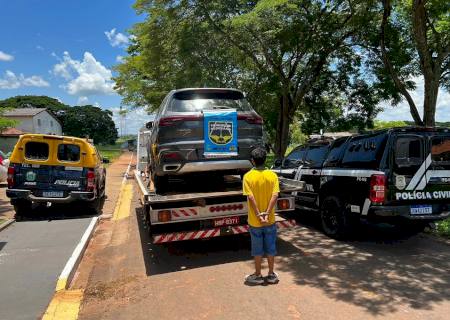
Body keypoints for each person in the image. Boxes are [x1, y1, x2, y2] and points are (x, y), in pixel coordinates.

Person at [243, 147, 280, 285]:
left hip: (255, 220)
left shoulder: (247, 177)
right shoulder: (272, 175)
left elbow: (251, 197)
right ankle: (271, 275)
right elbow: (275, 195)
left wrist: (259, 214)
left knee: (257, 249)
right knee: (271, 247)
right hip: (269, 220)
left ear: (252, 161)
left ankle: (258, 275)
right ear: (265, 160)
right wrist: (267, 213)